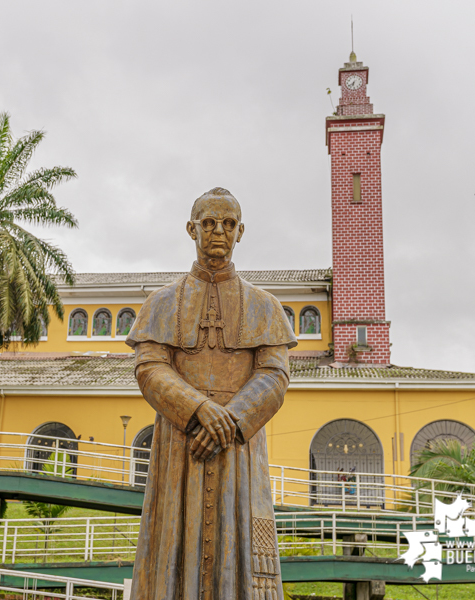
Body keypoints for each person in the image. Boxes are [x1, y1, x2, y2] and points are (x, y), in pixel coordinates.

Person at [126, 188, 297, 600]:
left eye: (228, 223)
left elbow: (274, 375)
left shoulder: (266, 307)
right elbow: (149, 367)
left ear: (241, 232)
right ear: (191, 229)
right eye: (208, 222)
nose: (218, 231)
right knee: (171, 547)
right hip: (180, 444)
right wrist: (200, 408)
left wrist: (232, 420)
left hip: (238, 448)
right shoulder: (162, 302)